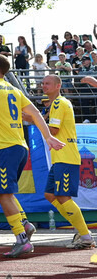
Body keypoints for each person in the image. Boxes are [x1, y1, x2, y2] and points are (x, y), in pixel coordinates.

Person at [0, 53, 61, 258]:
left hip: (7, 148)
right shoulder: (13, 89)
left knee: (2, 193)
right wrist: (47, 136)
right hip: (21, 147)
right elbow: (36, 114)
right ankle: (24, 223)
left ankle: (21, 238)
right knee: (6, 192)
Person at [39, 75, 93, 249]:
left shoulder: (58, 103)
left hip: (66, 157)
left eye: (47, 83)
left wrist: (35, 120)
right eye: (43, 83)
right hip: (61, 158)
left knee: (62, 196)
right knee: (50, 194)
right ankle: (82, 231)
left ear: (57, 86)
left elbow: (53, 130)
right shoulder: (60, 103)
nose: (43, 86)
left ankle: (85, 236)